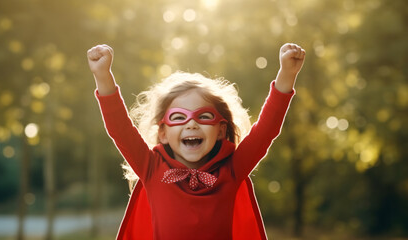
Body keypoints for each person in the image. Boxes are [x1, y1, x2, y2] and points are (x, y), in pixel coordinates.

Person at [87, 43, 305, 240]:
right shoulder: (151, 168)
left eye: (204, 116)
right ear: (162, 132)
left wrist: (287, 74)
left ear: (221, 130)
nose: (191, 124)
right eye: (179, 117)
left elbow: (266, 131)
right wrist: (103, 75)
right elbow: (119, 129)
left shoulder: (232, 170)